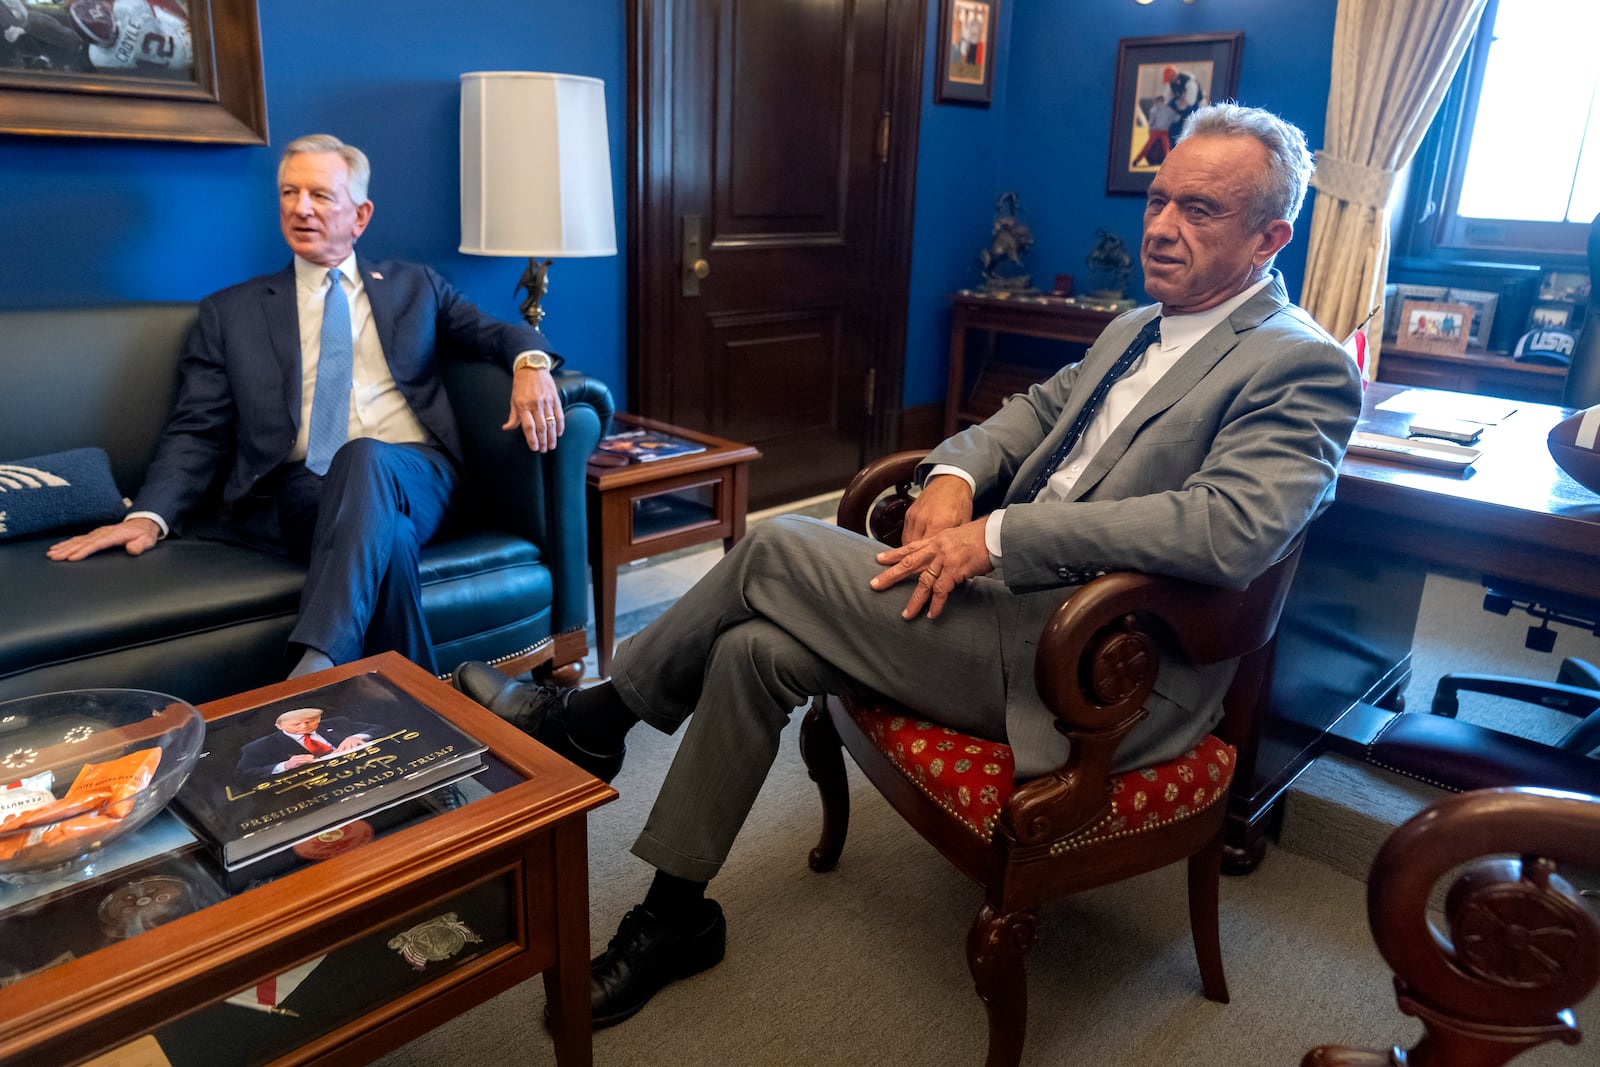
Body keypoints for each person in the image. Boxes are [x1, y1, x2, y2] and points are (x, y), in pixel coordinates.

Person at [453, 102, 1363, 1029]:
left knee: (771, 544)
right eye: (1159, 199)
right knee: (755, 650)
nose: (1162, 227)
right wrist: (957, 475)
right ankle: (672, 913)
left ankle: (594, 717)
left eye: (1199, 210)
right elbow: (1032, 413)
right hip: (1000, 611)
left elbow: (1231, 529)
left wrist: (999, 538)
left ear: (1270, 236)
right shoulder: (1137, 325)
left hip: (1095, 665)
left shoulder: (1303, 367)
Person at [48, 134, 567, 678]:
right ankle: (411, 707)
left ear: (360, 215)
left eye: (320, 195)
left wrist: (530, 364)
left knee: (366, 455)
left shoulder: (416, 287)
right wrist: (151, 516)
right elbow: (197, 429)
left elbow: (493, 333)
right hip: (304, 487)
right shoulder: (232, 312)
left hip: (417, 475)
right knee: (385, 535)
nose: (300, 208)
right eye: (289, 193)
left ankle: (317, 667)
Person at [235, 707, 381, 780]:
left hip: (366, 768)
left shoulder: (337, 723)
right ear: (279, 726)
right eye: (296, 724)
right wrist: (284, 766)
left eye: (310, 721)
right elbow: (243, 774)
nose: (304, 727)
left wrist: (356, 736)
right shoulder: (261, 746)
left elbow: (380, 728)